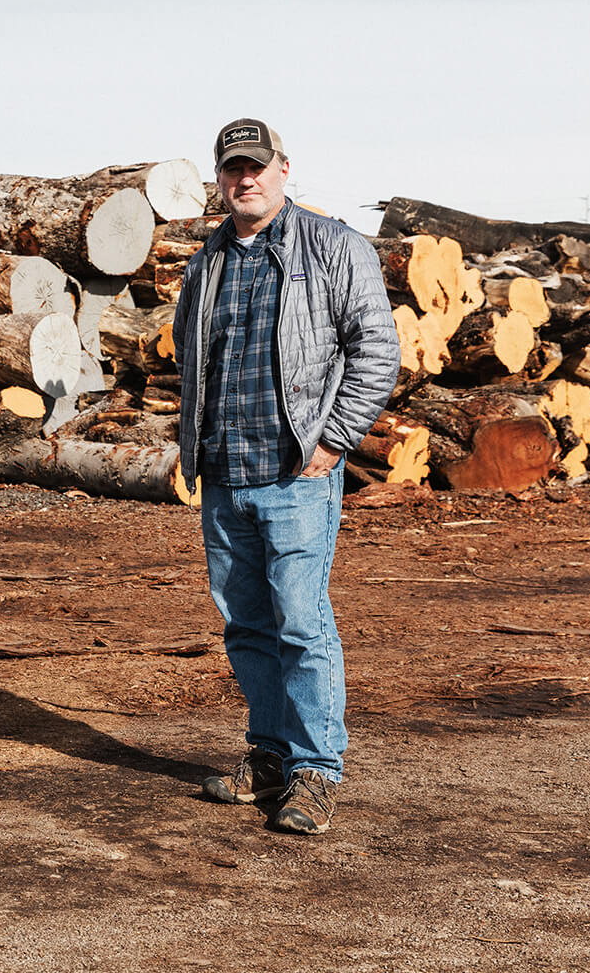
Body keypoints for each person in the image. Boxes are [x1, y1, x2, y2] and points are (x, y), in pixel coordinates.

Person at [173, 117, 397, 835]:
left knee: (301, 624)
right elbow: (190, 356)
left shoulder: (333, 247)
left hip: (297, 471)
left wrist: (334, 441)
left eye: (257, 167)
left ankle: (314, 771)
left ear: (283, 168)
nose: (246, 179)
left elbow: (376, 351)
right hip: (224, 472)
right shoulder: (206, 261)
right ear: (220, 177)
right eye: (233, 169)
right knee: (247, 626)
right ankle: (268, 755)